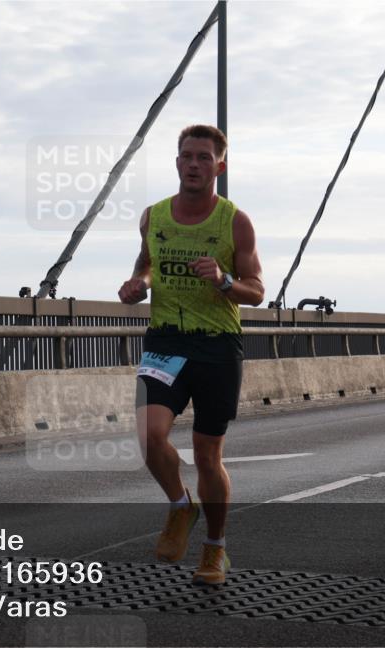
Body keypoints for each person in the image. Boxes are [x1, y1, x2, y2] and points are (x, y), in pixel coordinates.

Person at [117, 124, 264, 585]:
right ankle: (182, 506)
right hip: (165, 340)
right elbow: (146, 262)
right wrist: (138, 284)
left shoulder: (234, 221)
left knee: (206, 455)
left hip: (216, 345)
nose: (194, 164)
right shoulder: (153, 216)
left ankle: (215, 548)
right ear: (177, 162)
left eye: (204, 157)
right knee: (148, 433)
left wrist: (222, 280)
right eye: (187, 156)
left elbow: (257, 291)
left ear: (221, 165)